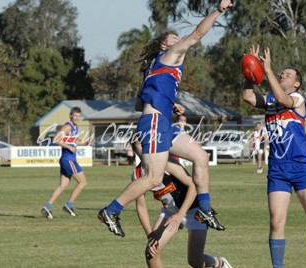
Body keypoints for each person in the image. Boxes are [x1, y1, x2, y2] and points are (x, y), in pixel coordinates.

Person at [98, 0, 233, 237]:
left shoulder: (154, 68)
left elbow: (140, 103)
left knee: (201, 157)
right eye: (173, 39)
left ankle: (203, 209)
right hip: (154, 124)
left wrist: (168, 103)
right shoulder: (170, 54)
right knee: (153, 178)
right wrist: (219, 10)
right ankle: (111, 211)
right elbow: (198, 34)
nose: (178, 41)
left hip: (162, 123)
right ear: (164, 45)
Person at [241, 45, 306, 268]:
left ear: (296, 83)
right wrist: (249, 70)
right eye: (282, 73)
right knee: (276, 222)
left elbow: (283, 99)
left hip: (300, 167)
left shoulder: (297, 98)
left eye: (287, 74)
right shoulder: (270, 100)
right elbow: (248, 96)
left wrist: (267, 69)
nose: (283, 75)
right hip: (278, 169)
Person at [132, 141, 232, 268]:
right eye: (141, 145)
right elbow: (141, 206)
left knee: (195, 261)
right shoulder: (137, 175)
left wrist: (180, 215)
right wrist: (150, 235)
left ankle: (219, 264)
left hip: (194, 209)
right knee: (151, 253)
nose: (147, 147)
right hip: (170, 211)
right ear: (135, 150)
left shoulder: (165, 161)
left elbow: (194, 185)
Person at [41, 107, 90, 219]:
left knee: (63, 186)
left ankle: (47, 207)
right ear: (70, 116)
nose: (77, 118)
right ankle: (69, 205)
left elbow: (74, 141)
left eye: (79, 116)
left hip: (66, 159)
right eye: (75, 116)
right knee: (83, 182)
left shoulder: (75, 127)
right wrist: (69, 147)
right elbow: (55, 139)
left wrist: (85, 143)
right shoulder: (68, 126)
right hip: (68, 160)